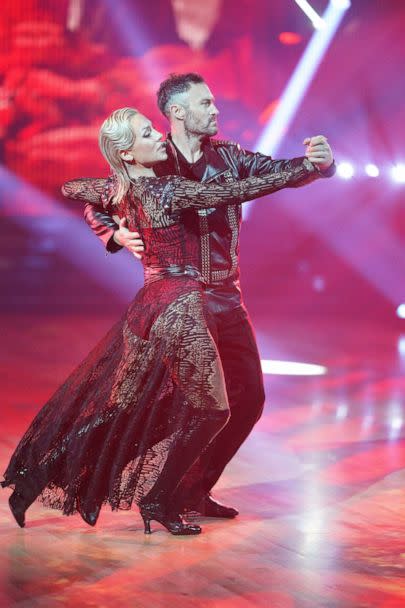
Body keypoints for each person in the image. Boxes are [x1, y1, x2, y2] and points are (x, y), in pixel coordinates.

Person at [1, 106, 323, 536]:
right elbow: (245, 190)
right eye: (147, 133)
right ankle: (159, 498)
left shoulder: (119, 186)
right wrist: (308, 166)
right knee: (210, 411)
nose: (157, 135)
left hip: (151, 304)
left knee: (130, 407)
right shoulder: (168, 188)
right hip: (180, 304)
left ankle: (36, 475)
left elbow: (72, 185)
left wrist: (119, 195)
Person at [81, 73, 335, 518]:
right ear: (178, 111)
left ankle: (190, 490)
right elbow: (97, 199)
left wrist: (318, 164)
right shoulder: (153, 159)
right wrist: (115, 232)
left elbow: (277, 171)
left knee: (248, 399)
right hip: (179, 302)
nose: (216, 110)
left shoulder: (229, 157)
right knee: (162, 404)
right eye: (206, 103)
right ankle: (78, 465)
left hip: (227, 297)